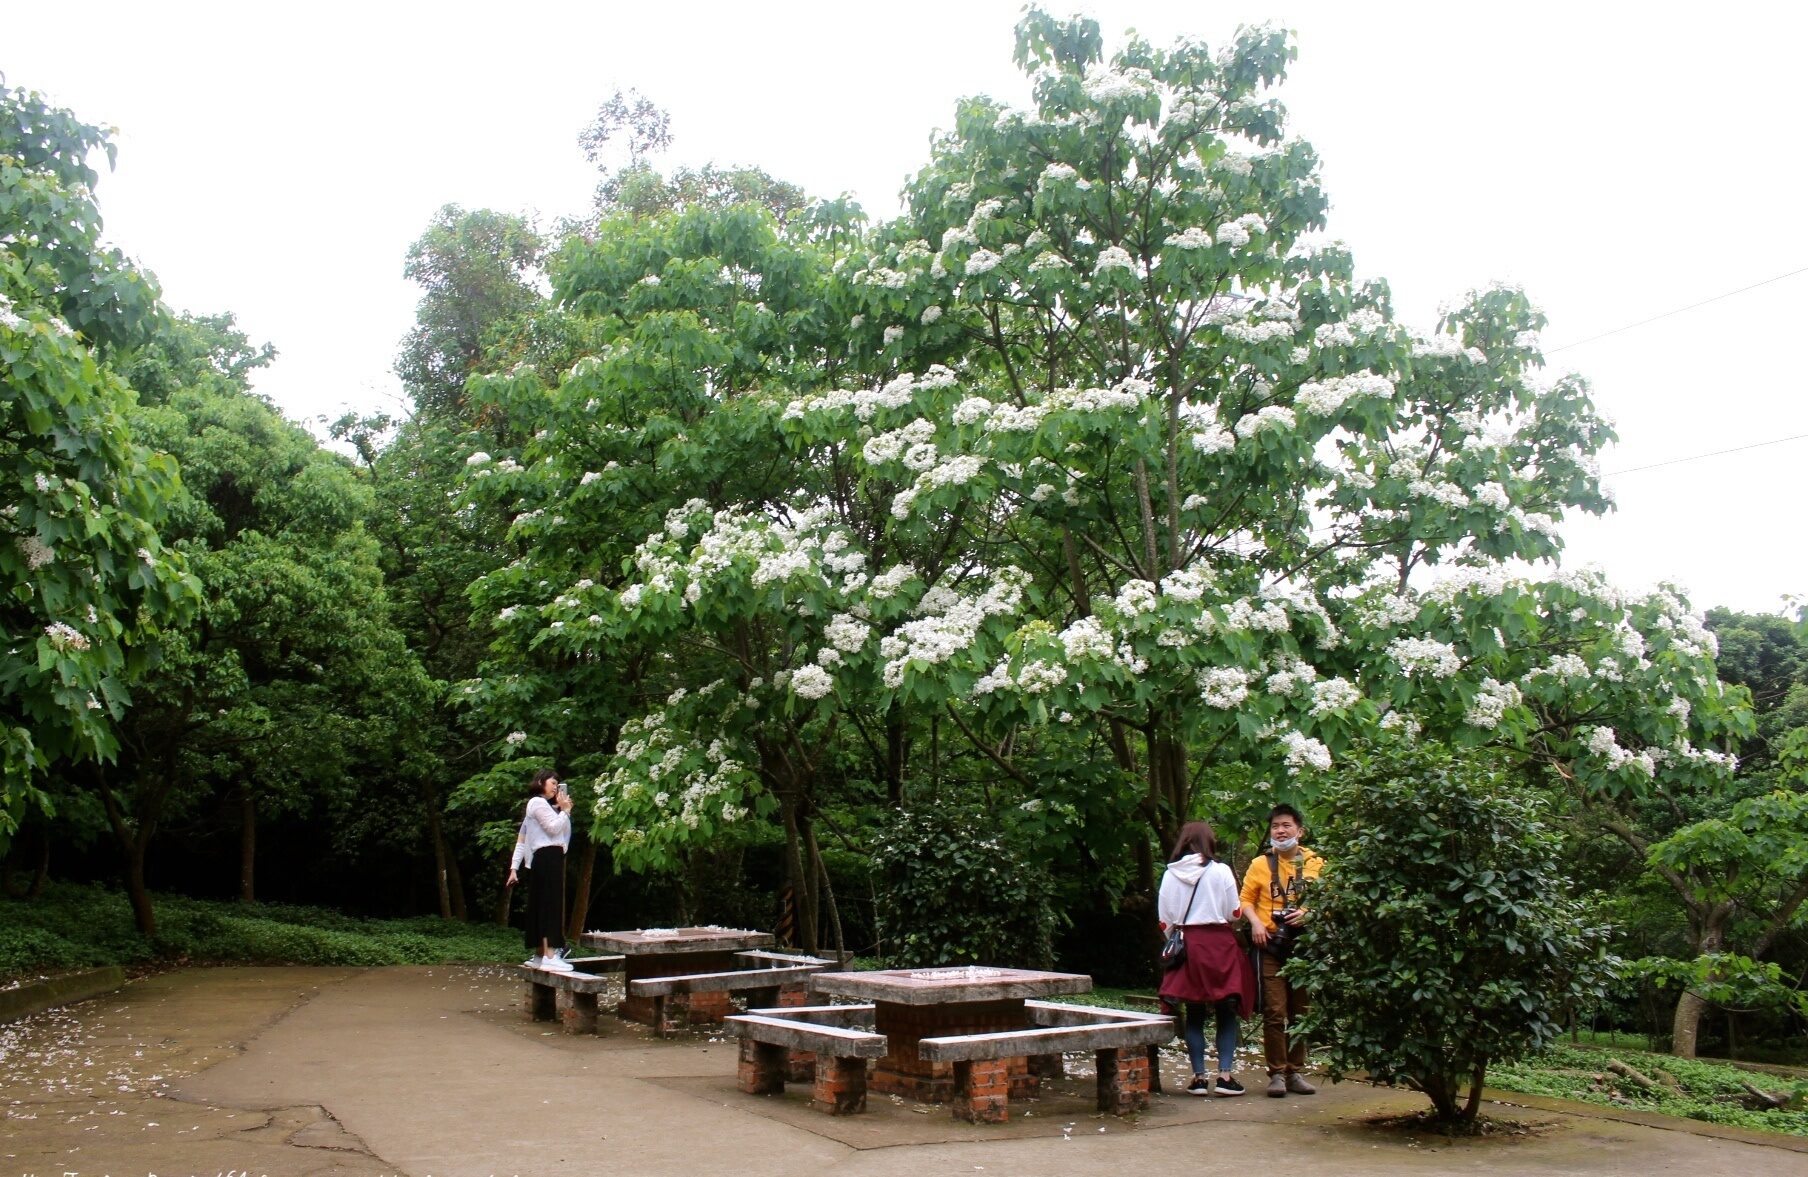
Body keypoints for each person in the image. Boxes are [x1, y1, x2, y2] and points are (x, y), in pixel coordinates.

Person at [1156, 821, 1257, 1097]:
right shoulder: (1221, 871)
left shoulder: (1170, 874)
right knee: (1226, 1009)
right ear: (1209, 842)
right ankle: (1225, 1076)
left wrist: (1176, 940)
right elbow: (1234, 913)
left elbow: (1164, 920)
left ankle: (1198, 1078)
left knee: (1195, 1013)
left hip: (1189, 947)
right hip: (1220, 946)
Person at [1241, 802, 1323, 1097]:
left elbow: (1328, 899)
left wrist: (1308, 912)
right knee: (1275, 1011)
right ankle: (1276, 1073)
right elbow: (1245, 900)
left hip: (1303, 946)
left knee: (1301, 1011)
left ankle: (1295, 1072)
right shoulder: (1259, 864)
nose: (1280, 830)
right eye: (1276, 826)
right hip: (1270, 946)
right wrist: (1255, 924)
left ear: (1300, 831)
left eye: (1286, 825)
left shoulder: (1315, 863)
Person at [508, 769, 573, 971]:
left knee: (541, 905)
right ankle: (550, 955)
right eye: (552, 783)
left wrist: (560, 809)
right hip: (547, 856)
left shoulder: (548, 806)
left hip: (547, 857)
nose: (555, 787)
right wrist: (566, 811)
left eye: (557, 784)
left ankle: (540, 954)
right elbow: (553, 829)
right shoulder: (537, 802)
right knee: (550, 906)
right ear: (540, 782)